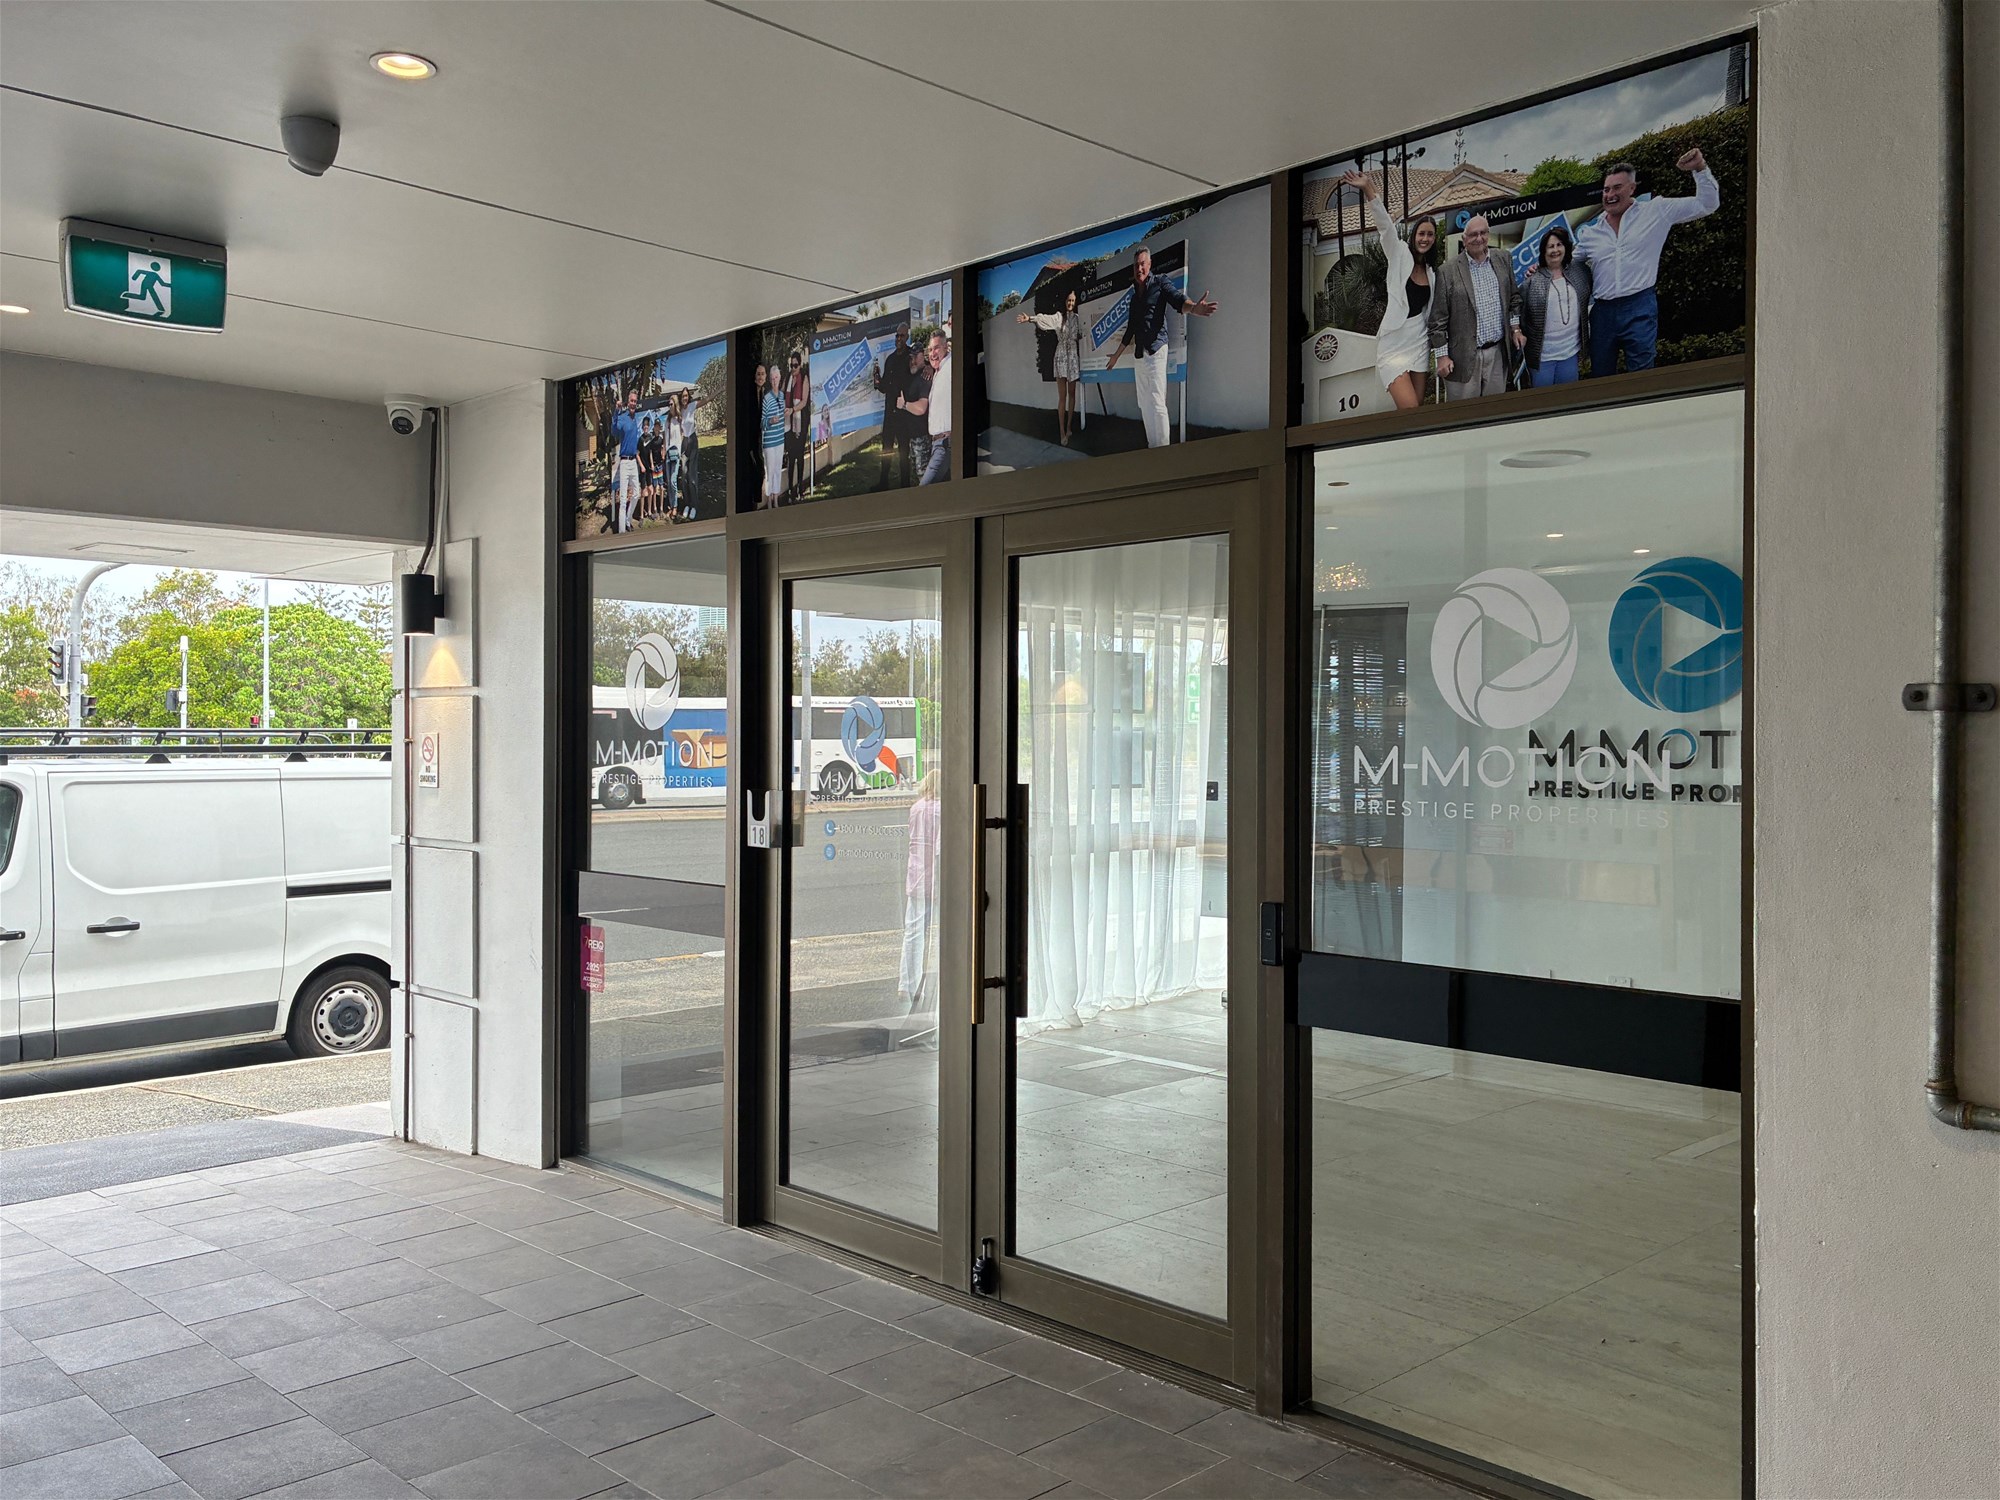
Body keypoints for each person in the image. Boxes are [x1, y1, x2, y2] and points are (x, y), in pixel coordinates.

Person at [1571, 149, 1718, 375]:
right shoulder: (1591, 233)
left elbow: (1707, 204)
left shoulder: (1656, 210)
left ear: (1632, 188)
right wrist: (1539, 269)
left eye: (1617, 188)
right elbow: (1567, 262)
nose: (1610, 194)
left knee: (1642, 374)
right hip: (1602, 312)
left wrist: (1699, 168)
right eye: (1606, 189)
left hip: (1639, 305)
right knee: (1600, 375)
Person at [1339, 170, 1440, 411]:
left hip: (1419, 343)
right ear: (1414, 235)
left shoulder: (1432, 273)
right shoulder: (1399, 253)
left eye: (1430, 235)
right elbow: (1385, 227)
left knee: (1417, 411)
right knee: (1410, 410)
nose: (1425, 238)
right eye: (1421, 233)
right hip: (1394, 345)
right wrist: (1368, 189)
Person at [1103, 246, 1217, 446]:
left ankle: (1163, 449)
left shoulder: (1160, 282)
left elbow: (1177, 299)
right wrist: (1116, 356)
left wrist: (1193, 308)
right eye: (1136, 265)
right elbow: (1130, 329)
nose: (1139, 268)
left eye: (1142, 264)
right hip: (1140, 354)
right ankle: (1152, 446)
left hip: (1156, 349)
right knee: (1144, 403)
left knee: (1157, 402)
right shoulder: (1134, 297)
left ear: (1149, 264)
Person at [1428, 214, 1522, 400]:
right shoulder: (1447, 271)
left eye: (1483, 233)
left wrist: (1516, 329)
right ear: (1464, 239)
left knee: (1494, 411)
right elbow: (1437, 321)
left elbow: (1514, 299)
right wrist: (1442, 356)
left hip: (1497, 354)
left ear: (1488, 234)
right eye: (1473, 235)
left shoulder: (1503, 259)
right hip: (1462, 359)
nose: (1479, 238)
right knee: (1464, 414)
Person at [1519, 224, 1592, 388]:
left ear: (1566, 247)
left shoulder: (1580, 271)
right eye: (1550, 246)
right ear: (1543, 251)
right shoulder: (1532, 280)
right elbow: (1519, 312)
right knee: (1544, 399)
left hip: (1570, 353)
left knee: (1568, 398)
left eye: (1559, 245)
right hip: (1543, 357)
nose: (1555, 250)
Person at [898, 769, 942, 1027]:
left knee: (913, 932)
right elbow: (940, 849)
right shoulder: (942, 811)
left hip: (915, 875)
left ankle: (907, 983)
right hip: (934, 876)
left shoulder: (916, 808)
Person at [1017, 289, 1086, 444]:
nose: (1070, 303)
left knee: (1072, 394)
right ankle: (1062, 432)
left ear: (1075, 302)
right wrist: (1030, 319)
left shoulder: (1078, 318)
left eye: (1073, 301)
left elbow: (1084, 332)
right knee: (1062, 397)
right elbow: (1045, 318)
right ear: (1065, 301)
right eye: (1068, 300)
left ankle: (1069, 427)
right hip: (1061, 358)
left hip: (1073, 358)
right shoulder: (1058, 317)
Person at [906, 331, 953, 485]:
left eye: (937, 348)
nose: (933, 353)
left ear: (946, 347)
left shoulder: (950, 366)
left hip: (945, 443)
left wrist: (904, 404)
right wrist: (929, 367)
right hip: (937, 443)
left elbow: (921, 408)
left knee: (925, 490)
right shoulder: (936, 371)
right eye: (930, 349)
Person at [874, 324, 912, 489]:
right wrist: (877, 381)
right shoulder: (890, 359)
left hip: (904, 414)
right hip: (889, 413)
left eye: (902, 336)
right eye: (897, 336)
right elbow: (884, 387)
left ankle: (905, 485)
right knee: (886, 449)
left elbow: (921, 370)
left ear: (907, 337)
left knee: (904, 451)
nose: (899, 339)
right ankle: (883, 483)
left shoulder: (911, 356)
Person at [899, 336, 936, 481]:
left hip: (922, 435)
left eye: (916, 356)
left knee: (924, 477)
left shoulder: (925, 377)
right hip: (912, 435)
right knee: (917, 474)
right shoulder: (912, 373)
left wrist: (904, 405)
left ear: (923, 356)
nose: (912, 360)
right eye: (911, 357)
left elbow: (921, 408)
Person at [608, 388, 642, 533]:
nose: (633, 403)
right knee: (622, 500)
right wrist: (616, 411)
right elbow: (614, 431)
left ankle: (628, 520)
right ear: (628, 402)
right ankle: (622, 532)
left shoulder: (636, 418)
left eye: (635, 401)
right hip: (624, 462)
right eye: (631, 401)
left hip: (634, 462)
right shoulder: (622, 417)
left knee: (637, 494)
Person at [784, 348, 810, 502]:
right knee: (790, 456)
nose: (793, 368)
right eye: (791, 365)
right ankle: (790, 489)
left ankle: (800, 488)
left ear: (800, 365)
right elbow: (782, 395)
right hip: (788, 423)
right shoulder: (788, 378)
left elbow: (804, 401)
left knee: (799, 456)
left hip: (800, 422)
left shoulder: (804, 378)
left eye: (795, 365)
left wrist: (793, 409)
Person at [760, 361, 787, 506]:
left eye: (776, 377)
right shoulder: (766, 398)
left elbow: (784, 415)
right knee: (769, 471)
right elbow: (762, 422)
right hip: (769, 442)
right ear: (770, 380)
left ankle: (776, 499)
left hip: (780, 440)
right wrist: (770, 421)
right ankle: (769, 501)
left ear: (779, 378)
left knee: (777, 470)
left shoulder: (782, 396)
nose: (775, 380)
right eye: (772, 378)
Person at [677, 390, 703, 519]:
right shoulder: (679, 411)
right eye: (683, 396)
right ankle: (687, 504)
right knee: (684, 476)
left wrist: (720, 390)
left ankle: (694, 506)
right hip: (684, 443)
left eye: (686, 396)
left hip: (692, 441)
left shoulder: (692, 406)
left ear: (689, 397)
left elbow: (707, 400)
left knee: (692, 477)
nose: (685, 398)